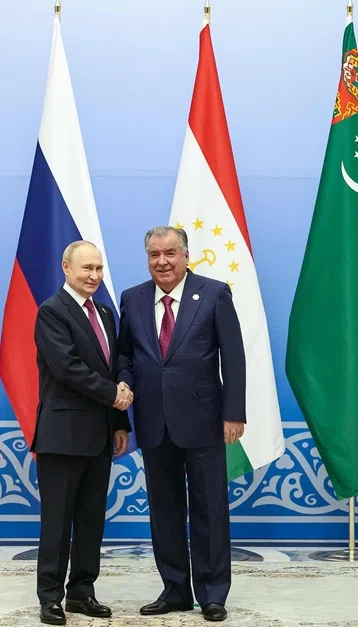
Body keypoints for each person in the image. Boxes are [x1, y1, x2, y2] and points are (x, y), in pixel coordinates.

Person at [117, 226, 246, 622]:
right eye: (154, 255)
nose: (162, 262)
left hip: (205, 420)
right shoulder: (133, 298)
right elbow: (124, 356)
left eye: (170, 253)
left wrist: (234, 413)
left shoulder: (213, 293)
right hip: (154, 423)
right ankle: (174, 590)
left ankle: (211, 594)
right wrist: (122, 395)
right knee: (165, 510)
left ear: (186, 255)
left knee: (209, 508)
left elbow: (234, 356)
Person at [32, 240, 132, 626]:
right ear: (66, 268)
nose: (93, 276)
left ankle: (82, 592)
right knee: (57, 520)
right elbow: (66, 368)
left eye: (99, 269)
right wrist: (115, 395)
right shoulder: (52, 312)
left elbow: (118, 362)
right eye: (86, 268)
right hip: (62, 435)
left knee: (91, 518)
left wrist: (121, 422)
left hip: (101, 434)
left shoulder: (105, 312)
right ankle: (50, 598)